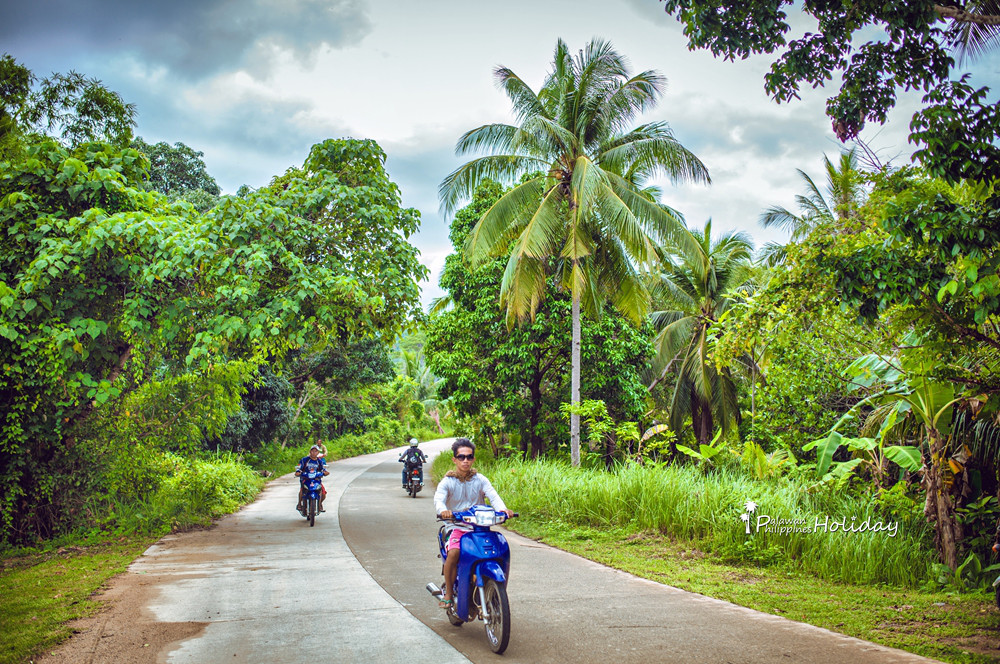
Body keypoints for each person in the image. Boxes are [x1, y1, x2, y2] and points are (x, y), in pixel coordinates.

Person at [433, 438, 512, 609]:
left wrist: (503, 509)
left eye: (469, 457)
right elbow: (439, 499)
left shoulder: (480, 479)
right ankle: (448, 593)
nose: (465, 461)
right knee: (454, 552)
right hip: (457, 527)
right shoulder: (447, 482)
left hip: (480, 528)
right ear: (454, 459)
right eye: (461, 457)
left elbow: (493, 495)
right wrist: (443, 510)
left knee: (499, 550)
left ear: (473, 459)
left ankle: (493, 590)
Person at [295, 444, 330, 513]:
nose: (314, 453)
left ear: (318, 452)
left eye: (316, 451)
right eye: (312, 451)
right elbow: (299, 468)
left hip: (316, 480)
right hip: (306, 479)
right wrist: (298, 472)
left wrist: (325, 472)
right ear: (310, 452)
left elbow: (322, 469)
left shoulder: (319, 461)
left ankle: (319, 504)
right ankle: (299, 504)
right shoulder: (305, 460)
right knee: (302, 490)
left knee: (323, 493)